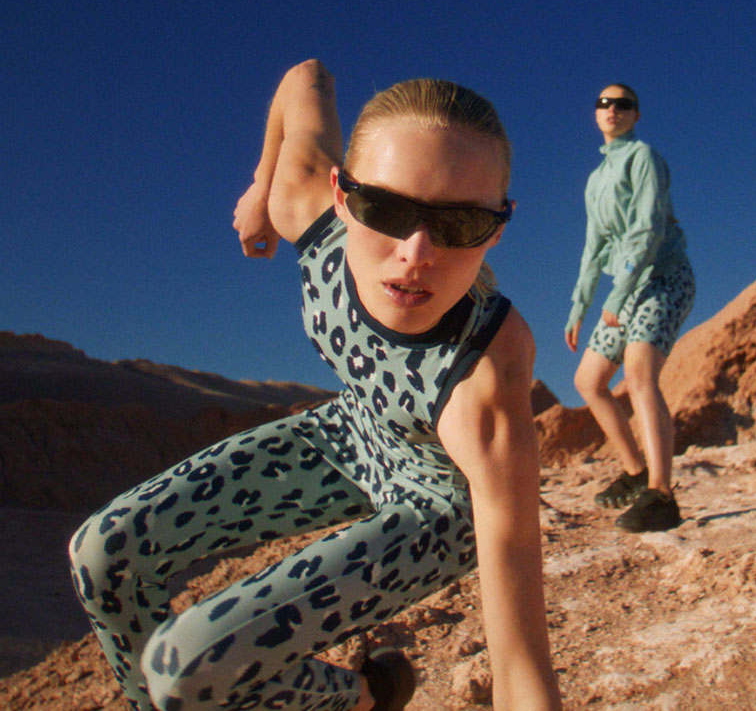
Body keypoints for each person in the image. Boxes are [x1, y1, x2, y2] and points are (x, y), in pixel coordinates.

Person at [69, 59, 562, 711]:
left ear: (498, 227)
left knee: (183, 668)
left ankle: (359, 700)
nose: (416, 253)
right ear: (340, 192)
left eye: (458, 225)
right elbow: (306, 78)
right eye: (384, 208)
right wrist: (259, 188)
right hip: (352, 434)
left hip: (437, 507)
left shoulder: (481, 381)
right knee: (103, 556)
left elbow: (520, 660)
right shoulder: (303, 204)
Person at [564, 83, 695, 533]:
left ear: (636, 114)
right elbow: (593, 245)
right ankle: (635, 472)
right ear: (595, 114)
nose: (612, 109)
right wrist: (579, 306)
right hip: (627, 286)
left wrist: (616, 298)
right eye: (603, 103)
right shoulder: (596, 179)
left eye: (622, 104)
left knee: (638, 371)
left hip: (663, 278)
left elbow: (648, 228)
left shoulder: (644, 158)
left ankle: (662, 494)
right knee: (588, 381)